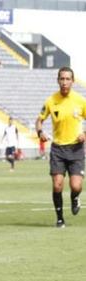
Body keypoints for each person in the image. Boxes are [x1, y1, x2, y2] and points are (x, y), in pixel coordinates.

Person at [35, 66, 86, 228]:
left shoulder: (80, 100)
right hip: (58, 149)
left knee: (76, 185)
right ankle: (59, 218)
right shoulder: (51, 101)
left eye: (67, 79)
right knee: (57, 184)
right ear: (58, 80)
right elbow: (39, 120)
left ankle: (75, 197)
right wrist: (40, 131)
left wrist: (84, 133)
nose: (64, 82)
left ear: (73, 81)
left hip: (76, 148)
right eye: (62, 79)